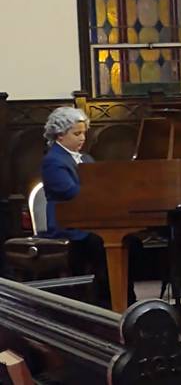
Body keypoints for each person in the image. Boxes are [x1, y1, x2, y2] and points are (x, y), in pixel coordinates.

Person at [41, 107, 136, 307]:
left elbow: (98, 186)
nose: (82, 138)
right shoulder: (53, 161)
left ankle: (125, 297)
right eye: (76, 133)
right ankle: (105, 300)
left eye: (84, 132)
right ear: (59, 135)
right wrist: (103, 195)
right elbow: (71, 193)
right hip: (69, 226)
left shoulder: (86, 158)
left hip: (90, 221)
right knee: (100, 243)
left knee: (131, 241)